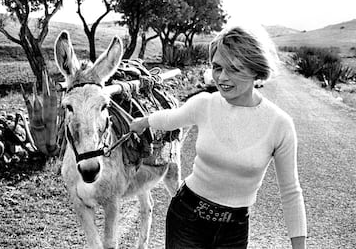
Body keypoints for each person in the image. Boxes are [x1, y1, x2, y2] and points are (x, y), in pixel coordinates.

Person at [130, 22, 307, 249]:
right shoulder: (205, 104)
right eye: (217, 67)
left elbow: (291, 192)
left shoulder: (280, 125)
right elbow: (171, 118)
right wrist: (143, 122)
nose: (221, 77)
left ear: (255, 69)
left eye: (233, 69)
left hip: (234, 231)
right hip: (186, 218)